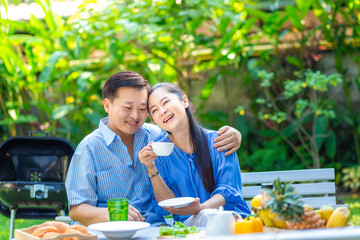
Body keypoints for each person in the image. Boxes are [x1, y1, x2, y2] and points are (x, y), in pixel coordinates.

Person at [65, 71, 243, 227]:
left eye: (142, 109)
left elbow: (182, 132)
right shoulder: (89, 148)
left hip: (150, 228)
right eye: (127, 108)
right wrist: (113, 215)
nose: (135, 116)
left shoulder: (154, 136)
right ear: (107, 105)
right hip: (106, 229)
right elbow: (76, 209)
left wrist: (235, 134)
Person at [138, 82, 250, 226]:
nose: (162, 111)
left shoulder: (220, 141)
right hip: (191, 227)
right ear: (154, 121)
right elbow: (166, 204)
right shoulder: (159, 154)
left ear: (184, 101)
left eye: (165, 102)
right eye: (154, 110)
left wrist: (201, 209)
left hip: (233, 222)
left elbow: (228, 191)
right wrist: (151, 168)